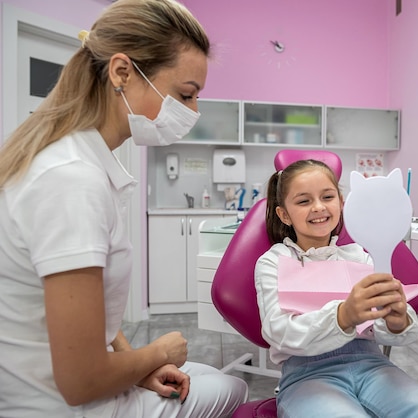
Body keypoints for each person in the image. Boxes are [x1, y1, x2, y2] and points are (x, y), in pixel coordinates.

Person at [0, 0, 247, 417]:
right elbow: (80, 382)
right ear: (122, 72)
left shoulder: (75, 160)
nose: (192, 112)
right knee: (233, 387)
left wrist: (140, 365)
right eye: (185, 94)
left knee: (200, 373)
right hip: (60, 405)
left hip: (60, 380)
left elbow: (96, 323)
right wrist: (158, 351)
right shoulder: (70, 181)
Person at [255, 159, 418, 417]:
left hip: (373, 366)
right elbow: (276, 331)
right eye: (303, 201)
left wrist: (397, 320)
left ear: (341, 202)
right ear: (284, 214)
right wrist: (343, 315)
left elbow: (389, 334)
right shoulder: (273, 262)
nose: (318, 207)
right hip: (307, 374)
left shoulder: (359, 256)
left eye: (327, 196)